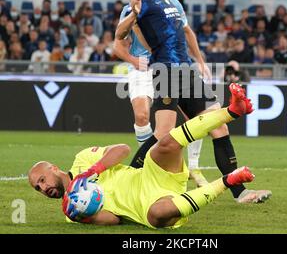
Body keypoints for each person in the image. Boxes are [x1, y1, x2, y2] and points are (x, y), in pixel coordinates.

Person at [115, 0, 271, 203]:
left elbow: (186, 34)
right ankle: (125, 182)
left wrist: (199, 62)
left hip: (187, 71)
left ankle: (239, 192)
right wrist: (133, 15)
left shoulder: (175, 2)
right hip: (165, 71)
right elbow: (119, 34)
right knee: (164, 134)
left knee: (218, 125)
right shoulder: (142, 1)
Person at [29, 84, 257, 228]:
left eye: (41, 180)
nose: (43, 188)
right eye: (38, 189)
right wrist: (83, 215)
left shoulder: (82, 160)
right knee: (159, 214)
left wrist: (91, 172)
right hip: (145, 207)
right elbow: (114, 219)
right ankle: (229, 180)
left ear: (54, 168)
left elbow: (122, 150)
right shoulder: (71, 212)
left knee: (164, 142)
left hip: (149, 177)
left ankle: (232, 111)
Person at [114, 0, 208, 187]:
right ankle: (148, 165)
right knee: (142, 115)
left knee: (197, 117)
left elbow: (187, 33)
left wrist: (200, 62)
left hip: (169, 66)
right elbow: (117, 44)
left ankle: (193, 166)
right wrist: (134, 61)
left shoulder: (172, 5)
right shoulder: (130, 10)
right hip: (143, 67)